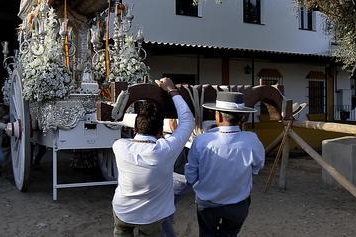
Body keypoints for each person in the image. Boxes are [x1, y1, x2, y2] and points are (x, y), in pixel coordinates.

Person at [112, 77, 195, 237]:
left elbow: (114, 117)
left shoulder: (119, 146)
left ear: (135, 128)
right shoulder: (165, 149)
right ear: (160, 132)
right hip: (151, 217)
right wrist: (172, 90)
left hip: (123, 212)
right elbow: (187, 121)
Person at [185, 91, 265, 237]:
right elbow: (258, 166)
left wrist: (200, 185)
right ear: (241, 117)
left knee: (206, 234)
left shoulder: (202, 141)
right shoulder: (252, 140)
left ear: (219, 116)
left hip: (207, 202)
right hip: (238, 202)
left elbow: (191, 174)